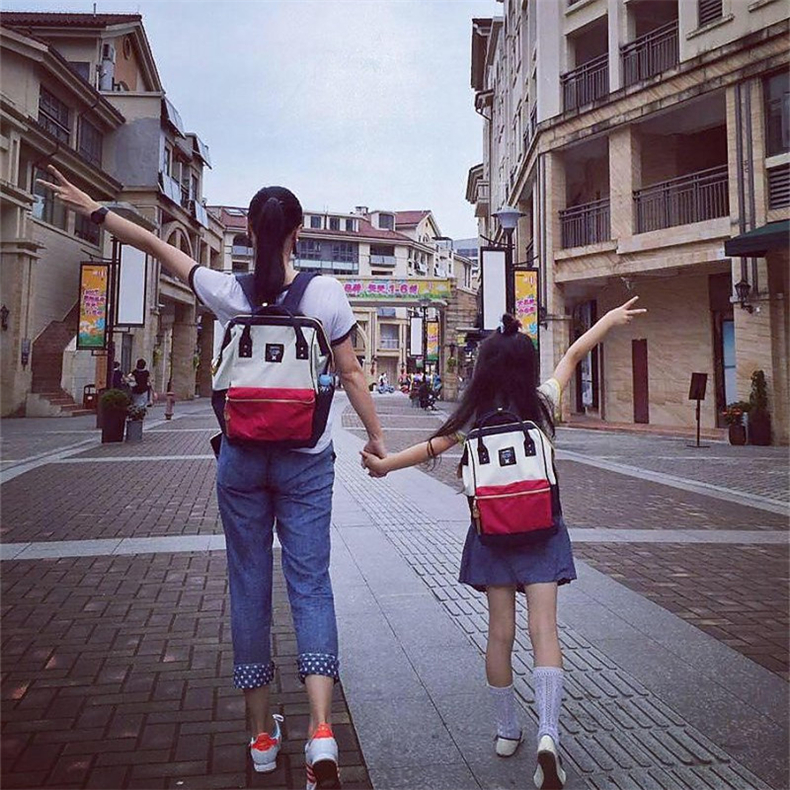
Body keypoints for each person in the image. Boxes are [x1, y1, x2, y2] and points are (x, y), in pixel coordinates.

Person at [40, 165, 386, 789]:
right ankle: (321, 731)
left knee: (249, 585)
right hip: (308, 457)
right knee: (311, 585)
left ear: (250, 231)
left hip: (243, 457)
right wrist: (379, 439)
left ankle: (260, 736)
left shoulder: (228, 291)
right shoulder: (327, 294)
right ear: (298, 233)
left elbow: (155, 245)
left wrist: (95, 208)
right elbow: (353, 374)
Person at [361, 300, 645, 790]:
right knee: (544, 630)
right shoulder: (542, 405)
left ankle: (507, 729)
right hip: (542, 529)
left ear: (485, 370)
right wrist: (608, 319)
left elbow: (429, 448)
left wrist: (384, 465)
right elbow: (573, 354)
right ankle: (549, 735)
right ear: (526, 367)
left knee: (499, 634)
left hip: (491, 533)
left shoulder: (474, 418)